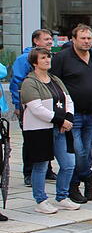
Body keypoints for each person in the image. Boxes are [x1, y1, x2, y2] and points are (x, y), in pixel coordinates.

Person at [20, 48, 79, 214]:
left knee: (68, 164)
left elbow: (68, 100)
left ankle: (62, 197)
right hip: (40, 130)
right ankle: (41, 200)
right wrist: (61, 120)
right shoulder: (29, 82)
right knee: (41, 166)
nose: (47, 60)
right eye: (43, 58)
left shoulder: (55, 80)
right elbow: (36, 108)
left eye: (48, 57)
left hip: (60, 129)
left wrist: (69, 118)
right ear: (34, 62)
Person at [50, 25, 92, 204]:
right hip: (73, 114)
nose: (87, 42)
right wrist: (61, 114)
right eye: (83, 38)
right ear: (73, 39)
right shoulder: (62, 58)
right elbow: (54, 84)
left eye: (89, 38)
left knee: (86, 152)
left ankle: (84, 180)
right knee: (77, 152)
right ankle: (80, 181)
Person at [10, 29, 57, 184]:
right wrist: (19, 105)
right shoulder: (24, 59)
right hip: (29, 106)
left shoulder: (50, 58)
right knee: (31, 139)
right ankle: (29, 172)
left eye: (51, 39)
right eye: (46, 39)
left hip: (48, 105)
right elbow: (17, 83)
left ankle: (47, 170)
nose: (50, 42)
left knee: (48, 137)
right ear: (36, 41)